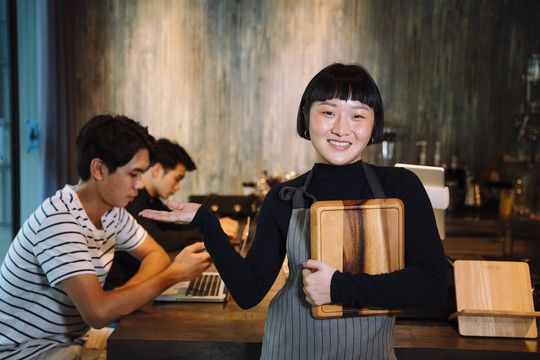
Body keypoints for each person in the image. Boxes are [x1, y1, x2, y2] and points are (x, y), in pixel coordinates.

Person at [139, 63, 448, 359]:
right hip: (289, 350)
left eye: (357, 115)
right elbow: (249, 292)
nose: (342, 128)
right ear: (306, 117)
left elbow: (432, 283)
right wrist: (205, 221)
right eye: (328, 112)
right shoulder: (283, 198)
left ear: (373, 123)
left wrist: (338, 287)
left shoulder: (400, 187)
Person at [0, 114, 212, 360]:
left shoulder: (112, 212)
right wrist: (174, 275)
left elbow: (156, 255)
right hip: (26, 352)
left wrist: (121, 298)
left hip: (71, 340)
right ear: (99, 169)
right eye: (133, 174)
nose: (140, 184)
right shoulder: (59, 220)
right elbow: (98, 313)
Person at [106, 138, 238, 288]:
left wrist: (211, 224)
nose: (178, 187)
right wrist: (210, 230)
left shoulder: (151, 200)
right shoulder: (132, 199)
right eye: (177, 179)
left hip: (138, 282)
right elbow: (158, 238)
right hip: (121, 285)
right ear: (157, 170)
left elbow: (175, 224)